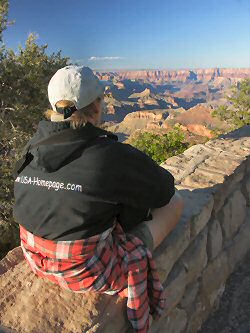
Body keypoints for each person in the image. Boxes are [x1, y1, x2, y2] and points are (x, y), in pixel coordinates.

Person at [13, 65, 184, 333]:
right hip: (81, 269)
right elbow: (164, 190)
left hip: (34, 255)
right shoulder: (108, 155)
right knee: (176, 204)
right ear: (96, 106)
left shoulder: (32, 147)